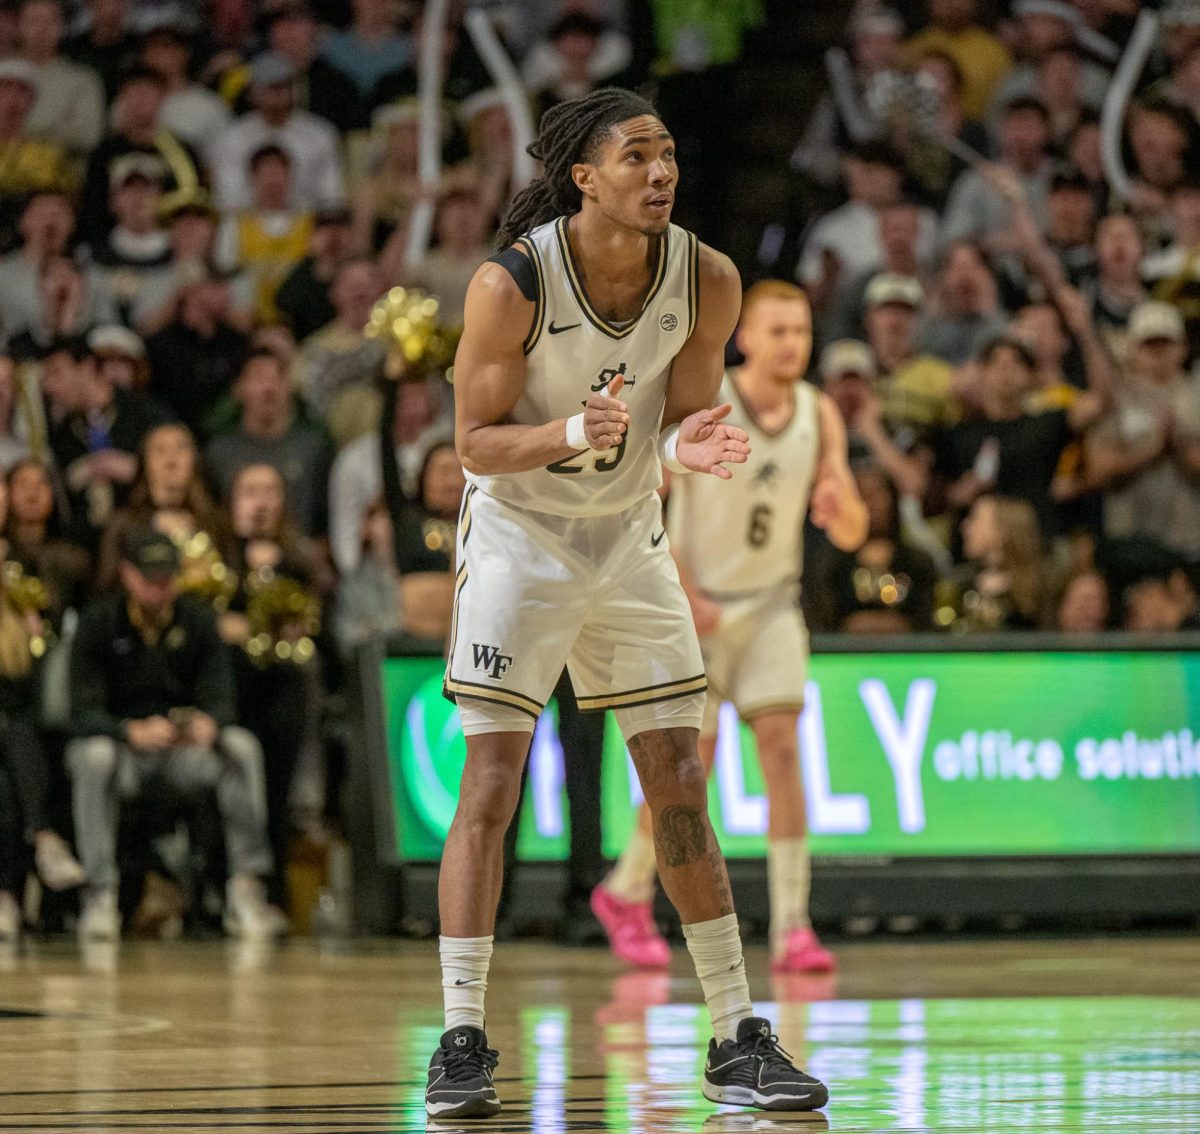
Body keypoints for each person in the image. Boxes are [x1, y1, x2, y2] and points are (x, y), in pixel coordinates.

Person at [424, 89, 827, 1120]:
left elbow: (688, 405)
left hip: (629, 542)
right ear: (583, 177)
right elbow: (469, 446)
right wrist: (569, 432)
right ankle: (461, 1037)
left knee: (680, 782)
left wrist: (686, 441)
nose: (662, 173)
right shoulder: (510, 283)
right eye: (636, 156)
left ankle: (738, 1035)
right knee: (494, 785)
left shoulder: (709, 276)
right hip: (520, 538)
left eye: (670, 156)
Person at [593, 281, 867, 974]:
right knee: (692, 771)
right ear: (745, 336)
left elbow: (857, 524)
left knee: (782, 748)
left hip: (772, 603)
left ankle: (793, 928)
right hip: (695, 603)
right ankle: (626, 890)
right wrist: (680, 587)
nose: (791, 345)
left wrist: (841, 511)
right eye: (777, 331)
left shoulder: (819, 412)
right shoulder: (710, 398)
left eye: (801, 331)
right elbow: (646, 497)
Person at [66, 525, 282, 941]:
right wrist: (128, 730)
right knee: (93, 755)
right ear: (127, 575)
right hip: (122, 752)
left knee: (239, 745)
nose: (158, 588)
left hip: (181, 753)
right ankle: (100, 894)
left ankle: (246, 888)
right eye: (148, 578)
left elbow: (222, 696)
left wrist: (209, 722)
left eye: (166, 577)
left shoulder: (198, 620)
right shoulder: (99, 621)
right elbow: (81, 711)